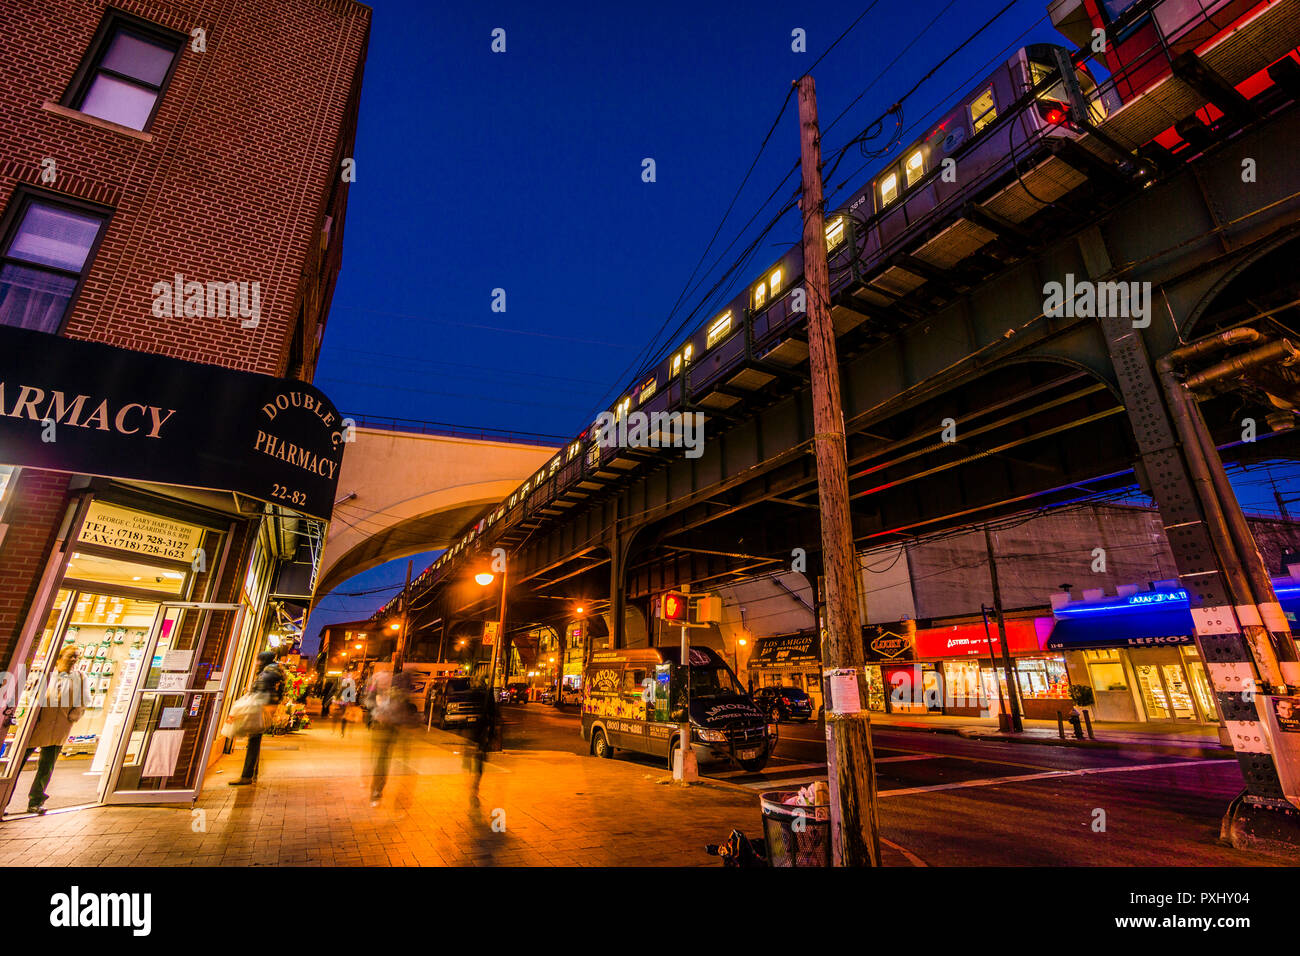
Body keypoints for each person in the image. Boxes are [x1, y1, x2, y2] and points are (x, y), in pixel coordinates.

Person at [23, 645, 90, 814]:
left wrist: (72, 718)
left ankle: (36, 801)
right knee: (19, 762)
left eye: (76, 657)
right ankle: (4, 799)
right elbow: (31, 697)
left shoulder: (80, 677)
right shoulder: (46, 675)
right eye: (71, 656)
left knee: (46, 766)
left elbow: (84, 701)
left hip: (60, 726)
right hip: (38, 726)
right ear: (60, 658)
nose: (74, 660)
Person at [229, 651, 284, 786]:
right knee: (254, 740)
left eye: (259, 660)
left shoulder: (268, 672)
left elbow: (260, 687)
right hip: (264, 707)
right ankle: (251, 773)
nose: (257, 662)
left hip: (259, 708)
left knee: (253, 740)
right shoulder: (274, 670)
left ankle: (247, 775)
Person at [366, 667, 415, 805]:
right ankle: (376, 790)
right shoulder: (374, 689)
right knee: (381, 760)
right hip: (380, 728)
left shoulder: (398, 690)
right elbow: (367, 701)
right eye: (382, 680)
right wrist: (376, 711)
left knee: (384, 760)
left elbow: (404, 707)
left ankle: (378, 789)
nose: (384, 683)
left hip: (393, 729)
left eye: (386, 680)